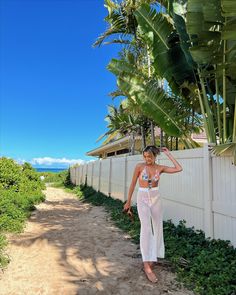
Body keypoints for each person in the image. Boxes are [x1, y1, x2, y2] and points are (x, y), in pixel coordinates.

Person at [123, 145, 183, 283]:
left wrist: (169, 154)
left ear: (155, 156)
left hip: (156, 198)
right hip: (142, 197)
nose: (147, 159)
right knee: (146, 228)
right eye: (145, 156)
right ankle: (146, 264)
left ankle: (153, 256)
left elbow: (179, 168)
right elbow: (132, 184)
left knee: (157, 227)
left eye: (149, 156)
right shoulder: (139, 166)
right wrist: (128, 201)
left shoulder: (160, 168)